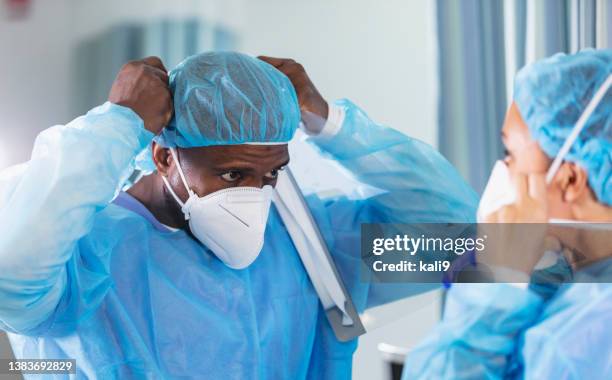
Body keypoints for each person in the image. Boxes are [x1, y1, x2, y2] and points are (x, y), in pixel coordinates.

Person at [0, 51, 477, 379]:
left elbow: (461, 244)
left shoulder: (307, 241)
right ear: (165, 157)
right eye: (232, 175)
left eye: (270, 176)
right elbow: (11, 277)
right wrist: (115, 124)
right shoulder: (87, 257)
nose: (255, 197)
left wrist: (328, 123)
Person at [402, 49, 611, 379]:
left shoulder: (579, 340)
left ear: (569, 179)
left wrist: (493, 292)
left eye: (509, 153)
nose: (502, 171)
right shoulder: (573, 295)